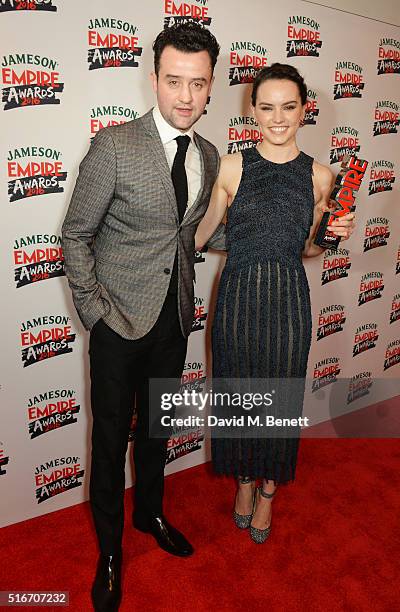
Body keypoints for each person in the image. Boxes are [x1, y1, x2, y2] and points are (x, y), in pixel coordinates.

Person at [62, 23, 224, 612]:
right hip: (116, 325)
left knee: (156, 431)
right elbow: (76, 235)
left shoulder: (208, 155)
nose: (185, 96)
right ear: (153, 79)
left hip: (172, 321)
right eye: (174, 81)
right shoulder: (114, 145)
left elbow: (193, 234)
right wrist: (95, 313)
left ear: (211, 87)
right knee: (109, 441)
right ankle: (108, 552)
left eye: (197, 84)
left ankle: (149, 513)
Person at [195, 63, 355, 544]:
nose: (278, 118)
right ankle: (244, 482)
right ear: (253, 110)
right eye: (267, 107)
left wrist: (330, 235)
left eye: (289, 107)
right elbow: (203, 236)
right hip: (239, 297)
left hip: (288, 301)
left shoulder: (322, 176)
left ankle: (268, 492)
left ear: (305, 111)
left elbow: (306, 248)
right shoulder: (231, 165)